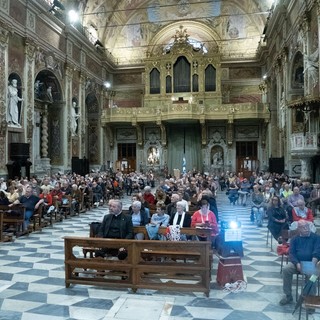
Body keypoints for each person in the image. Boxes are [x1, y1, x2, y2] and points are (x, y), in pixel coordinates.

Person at [280, 220, 320, 305]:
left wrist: (311, 265)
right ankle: (288, 295)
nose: (306, 229)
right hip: (297, 263)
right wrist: (297, 264)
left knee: (312, 275)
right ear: (298, 229)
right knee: (286, 269)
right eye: (303, 227)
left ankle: (311, 301)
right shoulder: (295, 239)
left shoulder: (316, 237)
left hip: (311, 262)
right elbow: (292, 253)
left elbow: (317, 252)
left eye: (307, 226)